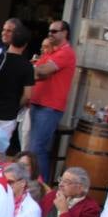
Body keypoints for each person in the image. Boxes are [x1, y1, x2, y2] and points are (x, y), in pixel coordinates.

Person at [29, 20, 77, 181]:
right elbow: (38, 71)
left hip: (49, 106)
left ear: (65, 33)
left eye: (54, 31)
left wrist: (32, 70)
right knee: (33, 148)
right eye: (49, 31)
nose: (50, 34)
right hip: (38, 103)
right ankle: (36, 183)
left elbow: (43, 71)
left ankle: (42, 186)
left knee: (38, 149)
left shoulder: (66, 52)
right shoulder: (50, 52)